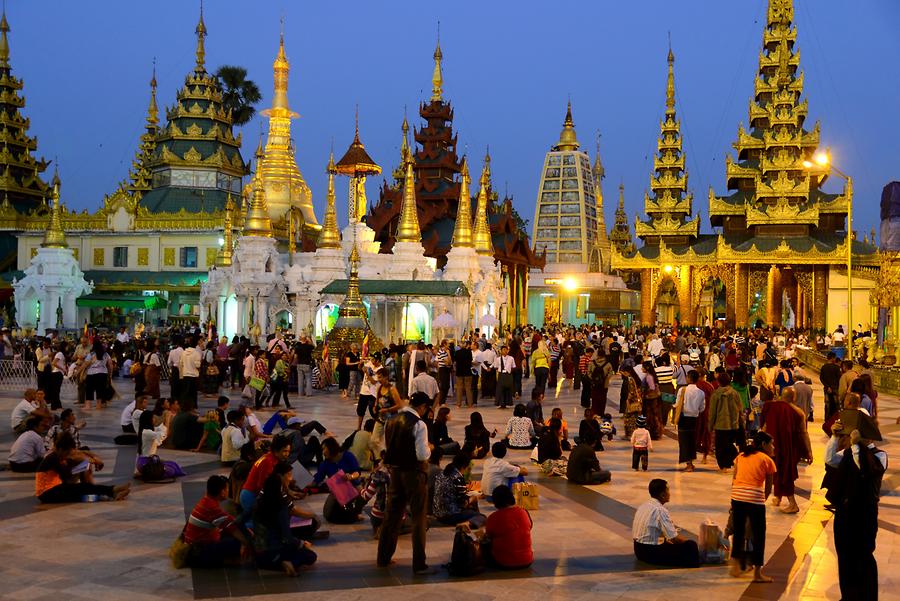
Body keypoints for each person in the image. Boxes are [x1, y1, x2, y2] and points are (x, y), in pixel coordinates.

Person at [824, 421, 886, 601]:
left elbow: (864, 470)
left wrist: (856, 446)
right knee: (844, 556)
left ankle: (866, 597)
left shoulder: (880, 456)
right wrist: (835, 437)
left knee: (863, 555)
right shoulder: (850, 452)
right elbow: (830, 460)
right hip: (845, 511)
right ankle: (848, 596)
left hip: (865, 514)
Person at [377, 391, 434, 575]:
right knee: (418, 518)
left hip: (395, 472)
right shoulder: (419, 424)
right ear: (423, 407)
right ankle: (419, 564)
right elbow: (422, 455)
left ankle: (383, 557)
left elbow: (385, 448)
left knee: (392, 515)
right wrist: (430, 448)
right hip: (414, 474)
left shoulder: (391, 420)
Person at [253, 463, 318, 575]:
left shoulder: (259, 503)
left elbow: (239, 521)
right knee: (310, 555)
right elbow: (287, 537)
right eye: (288, 475)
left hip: (259, 556)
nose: (291, 478)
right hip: (275, 550)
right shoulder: (281, 508)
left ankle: (278, 563)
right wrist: (301, 543)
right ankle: (288, 563)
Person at [728, 431, 776, 583]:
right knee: (759, 535)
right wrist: (759, 499)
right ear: (763, 445)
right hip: (754, 498)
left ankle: (735, 566)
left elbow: (734, 478)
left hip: (737, 496)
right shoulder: (767, 460)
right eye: (771, 444)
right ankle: (757, 573)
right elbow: (768, 487)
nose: (773, 447)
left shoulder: (741, 456)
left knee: (739, 531)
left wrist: (736, 496)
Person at [35, 432, 131, 503]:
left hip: (55, 489)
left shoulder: (58, 456)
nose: (68, 455)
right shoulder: (52, 458)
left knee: (81, 491)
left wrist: (87, 462)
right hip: (46, 493)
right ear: (60, 449)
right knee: (79, 491)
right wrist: (85, 464)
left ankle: (112, 492)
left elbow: (79, 454)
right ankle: (111, 492)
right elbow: (68, 473)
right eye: (67, 452)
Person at [183, 475, 254, 568]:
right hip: (197, 553)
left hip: (194, 547)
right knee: (235, 543)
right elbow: (233, 527)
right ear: (222, 492)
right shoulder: (211, 508)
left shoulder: (206, 501)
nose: (228, 491)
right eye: (227, 488)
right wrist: (248, 542)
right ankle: (228, 560)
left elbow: (229, 522)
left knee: (232, 533)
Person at [632, 478, 700, 568]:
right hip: (650, 552)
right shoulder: (660, 510)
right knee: (691, 546)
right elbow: (674, 538)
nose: (669, 493)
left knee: (669, 543)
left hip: (638, 550)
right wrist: (687, 542)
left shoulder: (643, 506)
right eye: (668, 490)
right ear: (663, 495)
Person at [466, 484, 533, 569]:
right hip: (527, 560)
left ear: (496, 502)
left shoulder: (494, 517)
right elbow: (529, 527)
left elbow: (488, 537)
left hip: (503, 562)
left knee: (482, 544)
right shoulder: (524, 512)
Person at [760, 387, 806, 514]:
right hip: (789, 448)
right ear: (794, 398)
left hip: (774, 447)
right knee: (782, 472)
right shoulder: (798, 412)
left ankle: (793, 504)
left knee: (782, 474)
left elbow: (764, 427)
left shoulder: (772, 407)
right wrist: (808, 451)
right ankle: (778, 497)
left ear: (781, 396)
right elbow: (803, 433)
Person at [240, 435, 293, 524]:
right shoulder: (267, 462)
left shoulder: (271, 458)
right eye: (284, 451)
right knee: (255, 524)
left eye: (288, 451)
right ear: (276, 450)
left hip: (250, 494)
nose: (287, 454)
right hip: (250, 495)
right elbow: (262, 485)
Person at [432, 452, 485, 527]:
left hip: (438, 512)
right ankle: (466, 524)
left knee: (472, 508)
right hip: (450, 515)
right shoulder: (458, 478)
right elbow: (462, 503)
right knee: (482, 517)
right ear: (464, 467)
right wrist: (472, 499)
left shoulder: (442, 473)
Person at [708, 371, 743, 470]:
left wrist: (710, 425)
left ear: (719, 382)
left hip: (720, 424)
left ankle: (724, 465)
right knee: (729, 444)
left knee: (720, 446)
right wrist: (741, 422)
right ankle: (731, 462)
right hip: (733, 424)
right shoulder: (735, 393)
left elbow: (712, 411)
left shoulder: (716, 394)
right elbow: (740, 409)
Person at [674, 370, 705, 472]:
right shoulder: (701, 392)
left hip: (683, 418)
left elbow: (678, 404)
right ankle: (691, 461)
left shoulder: (682, 390)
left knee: (684, 441)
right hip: (694, 419)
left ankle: (689, 464)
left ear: (689, 378)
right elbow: (702, 408)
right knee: (692, 440)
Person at [179, 338, 202, 411]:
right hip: (193, 376)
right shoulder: (196, 353)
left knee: (185, 393)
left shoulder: (184, 352)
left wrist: (181, 375)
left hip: (185, 375)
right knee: (193, 393)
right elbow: (197, 365)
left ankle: (183, 406)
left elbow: (181, 364)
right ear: (196, 344)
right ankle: (193, 407)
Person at [819, 352, 842, 419]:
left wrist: (827, 386)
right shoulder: (836, 368)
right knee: (836, 404)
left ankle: (827, 418)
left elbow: (821, 378)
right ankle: (835, 418)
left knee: (827, 404)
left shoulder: (824, 367)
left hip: (826, 388)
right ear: (832, 358)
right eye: (834, 358)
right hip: (835, 388)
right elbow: (839, 378)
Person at [493, 345, 516, 409]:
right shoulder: (498, 359)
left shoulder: (511, 358)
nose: (505, 351)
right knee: (500, 390)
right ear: (501, 351)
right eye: (503, 350)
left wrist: (509, 371)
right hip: (501, 375)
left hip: (508, 375)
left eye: (506, 350)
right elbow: (496, 367)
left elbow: (514, 366)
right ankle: (501, 403)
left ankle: (507, 403)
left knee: (508, 389)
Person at [454, 339, 474, 408]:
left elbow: (455, 361)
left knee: (459, 389)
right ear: (465, 345)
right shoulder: (469, 352)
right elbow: (471, 360)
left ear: (460, 345)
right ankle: (470, 404)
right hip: (467, 372)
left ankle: (458, 404)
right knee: (468, 389)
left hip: (459, 372)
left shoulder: (457, 352)